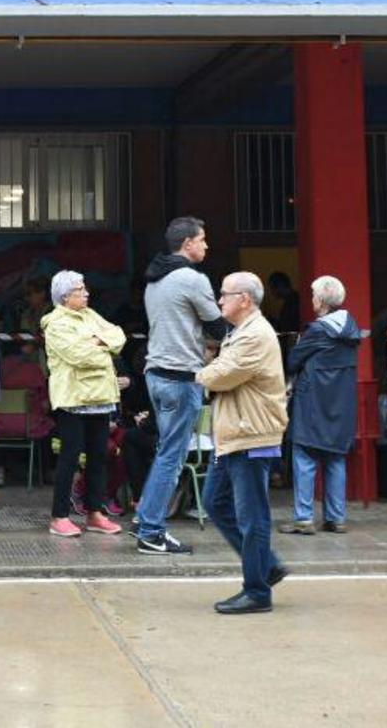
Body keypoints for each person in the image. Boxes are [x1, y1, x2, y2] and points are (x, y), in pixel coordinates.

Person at [198, 271, 290, 615]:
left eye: (225, 294)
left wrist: (202, 372)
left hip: (251, 434)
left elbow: (222, 375)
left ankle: (257, 591)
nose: (220, 300)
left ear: (245, 299)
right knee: (216, 503)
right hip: (236, 435)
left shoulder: (255, 335)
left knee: (253, 517)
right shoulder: (243, 332)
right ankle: (265, 566)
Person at [135, 216, 226, 556]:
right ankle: (151, 531)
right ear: (187, 243)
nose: (206, 245)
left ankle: (146, 517)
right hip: (181, 376)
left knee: (165, 452)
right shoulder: (191, 278)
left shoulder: (154, 279)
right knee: (172, 458)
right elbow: (218, 326)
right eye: (202, 239)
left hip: (156, 373)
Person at [40, 270, 126, 537]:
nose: (87, 293)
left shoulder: (90, 315)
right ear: (65, 297)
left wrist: (99, 343)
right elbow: (77, 356)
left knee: (99, 456)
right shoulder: (55, 323)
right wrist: (104, 349)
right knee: (70, 457)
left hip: (100, 396)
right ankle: (59, 516)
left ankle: (95, 512)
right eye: (80, 290)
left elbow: (119, 335)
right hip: (73, 399)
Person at [282, 275, 360, 536]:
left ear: (323, 301)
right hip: (341, 403)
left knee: (304, 456)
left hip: (312, 401)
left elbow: (293, 361)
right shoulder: (352, 330)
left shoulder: (317, 331)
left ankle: (304, 518)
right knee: (335, 457)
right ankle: (336, 518)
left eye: (314, 295)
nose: (312, 299)